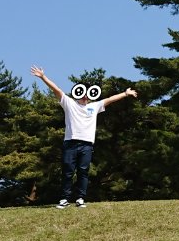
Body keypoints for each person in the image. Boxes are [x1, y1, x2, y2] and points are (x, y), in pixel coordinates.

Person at [30, 66, 137, 207]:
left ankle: (80, 198)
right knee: (68, 171)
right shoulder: (69, 104)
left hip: (87, 144)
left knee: (83, 171)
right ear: (78, 92)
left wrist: (125, 93)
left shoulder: (94, 106)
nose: (85, 96)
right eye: (83, 93)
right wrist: (43, 77)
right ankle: (64, 199)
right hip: (70, 143)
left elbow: (110, 99)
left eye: (88, 93)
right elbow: (57, 90)